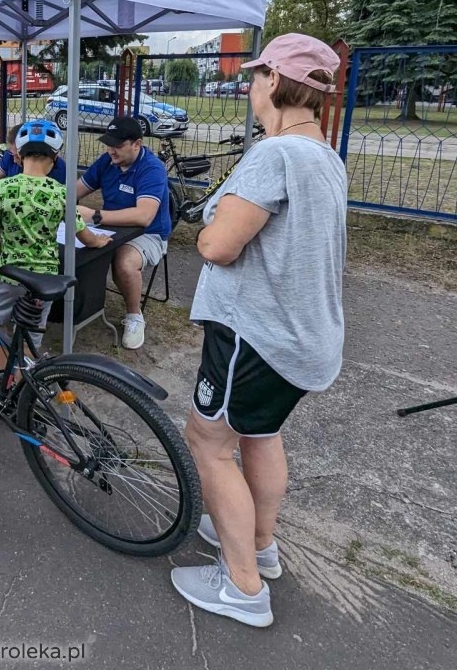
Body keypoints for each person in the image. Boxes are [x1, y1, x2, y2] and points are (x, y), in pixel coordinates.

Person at [169, 33, 346, 629]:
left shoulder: (275, 155)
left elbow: (218, 246)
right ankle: (259, 545)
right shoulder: (323, 155)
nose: (249, 86)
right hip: (303, 336)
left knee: (208, 443)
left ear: (273, 80)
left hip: (256, 335)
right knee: (259, 433)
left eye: (255, 75)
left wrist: (206, 229)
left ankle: (242, 585)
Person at [0, 120, 106, 371]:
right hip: (44, 277)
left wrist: (2, 247)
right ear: (54, 157)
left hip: (9, 273)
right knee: (31, 334)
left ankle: (5, 373)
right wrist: (99, 241)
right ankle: (25, 380)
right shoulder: (61, 192)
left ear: (19, 155)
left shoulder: (2, 189)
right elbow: (83, 234)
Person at [75, 115, 171, 350]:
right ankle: (76, 306)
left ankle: (135, 315)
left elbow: (144, 216)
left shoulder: (152, 168)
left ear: (137, 144)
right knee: (79, 249)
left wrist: (95, 216)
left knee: (125, 262)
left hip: (148, 234)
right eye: (108, 144)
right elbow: (75, 190)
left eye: (117, 145)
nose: (111, 150)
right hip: (111, 229)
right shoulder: (107, 161)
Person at [0, 122, 67, 191]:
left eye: (17, 156)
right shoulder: (10, 155)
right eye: (12, 154)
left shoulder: (59, 168)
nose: (14, 160)